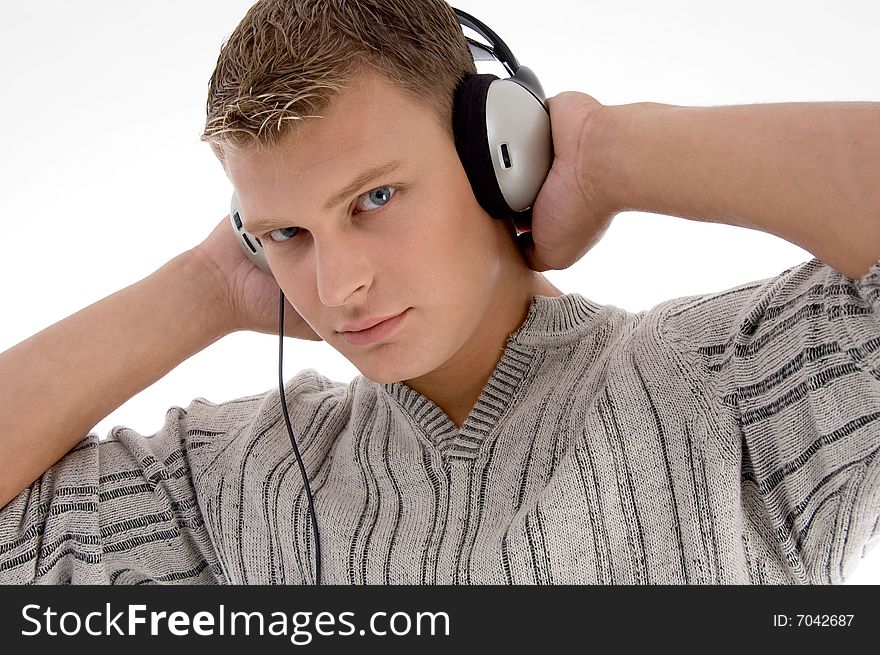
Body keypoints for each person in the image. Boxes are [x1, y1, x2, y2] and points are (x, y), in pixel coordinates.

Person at [0, 0, 878, 585]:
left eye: (374, 199)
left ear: (501, 153)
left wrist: (612, 152)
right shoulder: (241, 479)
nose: (337, 285)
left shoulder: (722, 386)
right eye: (288, 234)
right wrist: (202, 288)